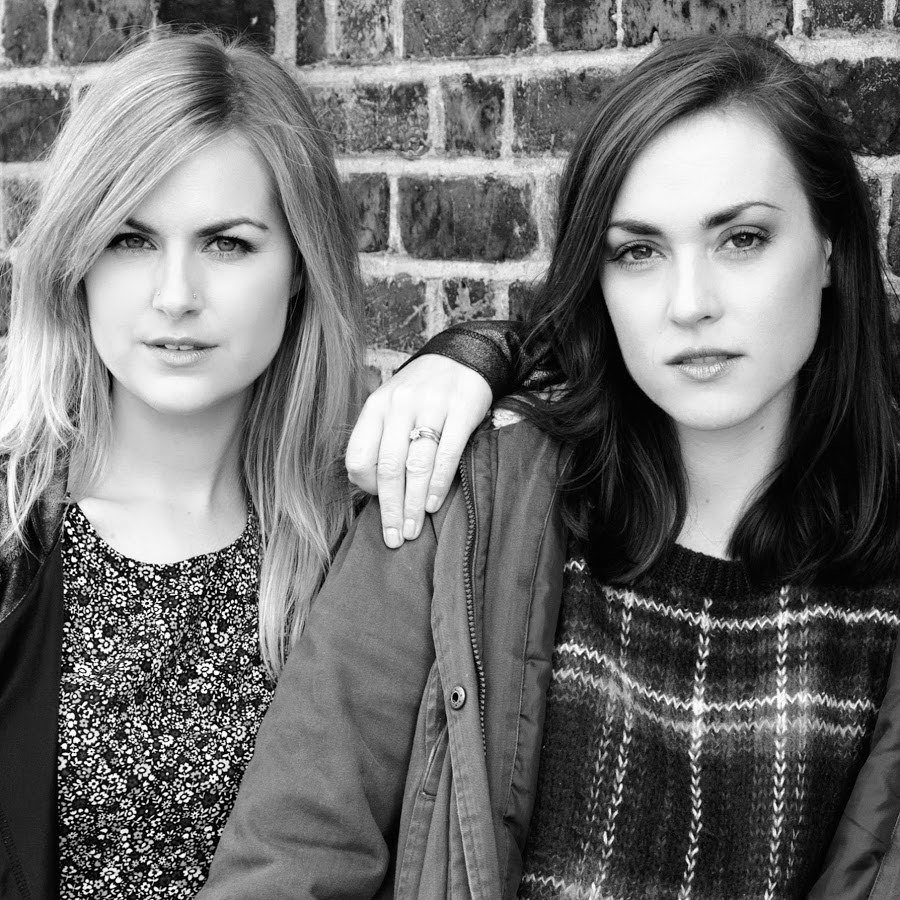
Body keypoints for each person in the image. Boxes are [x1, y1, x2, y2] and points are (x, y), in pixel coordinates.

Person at [198, 34, 900, 900]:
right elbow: (293, 853)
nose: (691, 304)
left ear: (829, 246)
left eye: (742, 238)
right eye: (638, 251)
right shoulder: (468, 495)